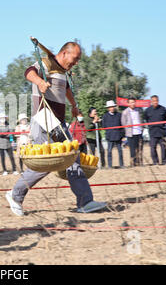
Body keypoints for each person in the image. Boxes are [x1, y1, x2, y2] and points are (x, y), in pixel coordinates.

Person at [6, 42, 107, 215]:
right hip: (42, 120)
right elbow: (28, 72)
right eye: (75, 59)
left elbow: (66, 88)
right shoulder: (46, 63)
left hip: (57, 123)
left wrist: (74, 105)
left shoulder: (62, 72)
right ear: (64, 53)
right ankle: (15, 195)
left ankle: (85, 202)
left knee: (72, 157)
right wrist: (39, 82)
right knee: (46, 163)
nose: (76, 63)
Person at [144, 95, 166, 165]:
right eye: (153, 101)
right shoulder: (147, 110)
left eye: (156, 101)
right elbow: (146, 119)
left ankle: (164, 161)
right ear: (151, 102)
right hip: (152, 132)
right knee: (153, 148)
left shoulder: (163, 109)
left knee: (163, 147)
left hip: (161, 131)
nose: (155, 102)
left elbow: (164, 118)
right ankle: (155, 162)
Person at [121, 98, 144, 166]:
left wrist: (142, 128)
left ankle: (139, 162)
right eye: (131, 102)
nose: (132, 104)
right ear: (128, 104)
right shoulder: (125, 112)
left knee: (139, 148)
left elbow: (141, 120)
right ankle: (133, 163)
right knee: (132, 149)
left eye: (133, 102)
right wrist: (127, 129)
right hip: (131, 133)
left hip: (139, 132)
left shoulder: (138, 110)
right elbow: (123, 122)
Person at [102, 100, 124, 168]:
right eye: (110, 107)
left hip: (118, 136)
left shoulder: (119, 115)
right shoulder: (105, 116)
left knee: (120, 151)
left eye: (113, 107)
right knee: (109, 151)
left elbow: (122, 125)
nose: (112, 108)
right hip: (110, 136)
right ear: (108, 108)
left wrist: (122, 134)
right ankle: (110, 165)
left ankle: (121, 164)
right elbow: (104, 126)